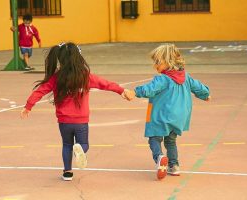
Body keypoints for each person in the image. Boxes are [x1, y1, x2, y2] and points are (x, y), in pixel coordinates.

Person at [20, 42, 129, 181]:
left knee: (67, 145)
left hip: (64, 120)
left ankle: (67, 172)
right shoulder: (85, 76)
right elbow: (105, 84)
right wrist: (121, 90)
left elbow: (40, 91)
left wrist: (28, 106)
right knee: (84, 144)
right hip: (81, 120)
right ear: (78, 57)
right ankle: (81, 151)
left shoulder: (56, 77)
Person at [124, 44, 211, 180]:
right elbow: (198, 87)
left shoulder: (162, 79)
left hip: (161, 115)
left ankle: (159, 157)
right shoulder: (185, 77)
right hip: (179, 116)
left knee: (154, 138)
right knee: (170, 141)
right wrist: (205, 95)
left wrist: (135, 92)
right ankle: (174, 166)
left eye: (158, 62)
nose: (155, 65)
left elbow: (150, 89)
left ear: (168, 62)